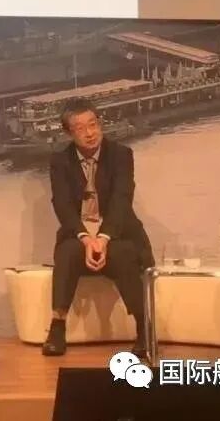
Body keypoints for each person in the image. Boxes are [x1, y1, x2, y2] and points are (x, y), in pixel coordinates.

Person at [43, 98, 152, 357]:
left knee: (123, 253)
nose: (90, 133)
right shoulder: (60, 161)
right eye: (80, 128)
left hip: (117, 231)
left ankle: (144, 328)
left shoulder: (121, 155)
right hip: (80, 233)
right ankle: (57, 327)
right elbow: (62, 205)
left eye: (93, 124)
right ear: (69, 133)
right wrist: (85, 237)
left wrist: (102, 238)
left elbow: (122, 199)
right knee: (67, 252)